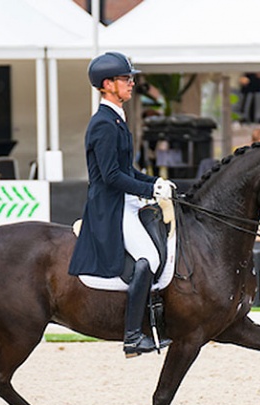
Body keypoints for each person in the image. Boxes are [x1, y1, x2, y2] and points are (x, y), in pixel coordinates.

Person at [68, 51, 174, 359]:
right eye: (126, 78)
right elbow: (112, 176)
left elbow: (127, 170)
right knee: (148, 258)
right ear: (107, 84)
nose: (132, 83)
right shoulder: (103, 124)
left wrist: (155, 182)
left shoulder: (116, 119)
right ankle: (132, 337)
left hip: (126, 201)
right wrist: (148, 188)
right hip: (110, 207)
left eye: (130, 78)